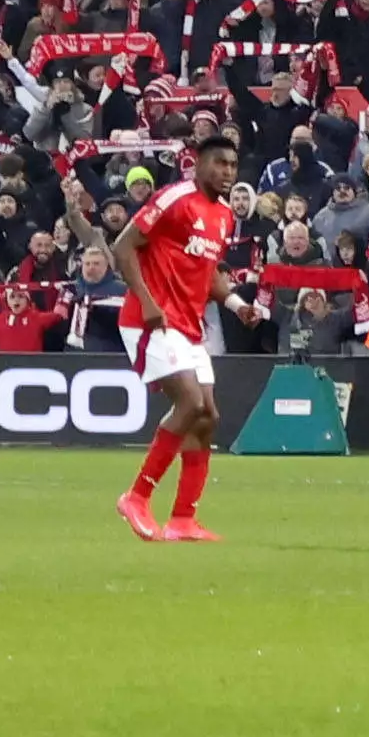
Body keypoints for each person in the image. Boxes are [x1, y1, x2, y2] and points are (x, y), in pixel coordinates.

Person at [120, 130, 242, 548]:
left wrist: (236, 304)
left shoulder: (224, 215)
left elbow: (209, 274)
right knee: (190, 402)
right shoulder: (175, 198)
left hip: (188, 324)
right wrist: (147, 301)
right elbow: (123, 247)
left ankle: (183, 519)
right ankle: (137, 497)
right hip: (150, 318)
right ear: (198, 164)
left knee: (207, 417)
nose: (227, 172)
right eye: (219, 163)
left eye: (232, 165)